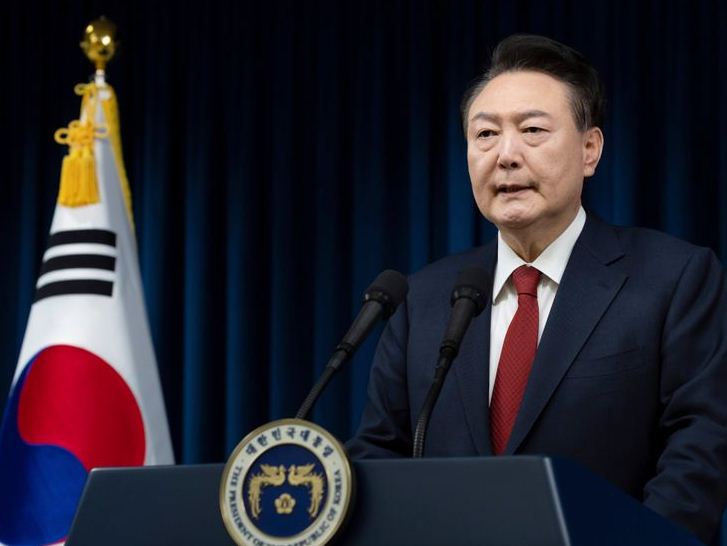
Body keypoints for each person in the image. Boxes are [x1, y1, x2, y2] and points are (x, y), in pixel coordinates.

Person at [347, 34, 727, 544]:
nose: (506, 155)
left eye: (532, 130)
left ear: (590, 150)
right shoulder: (423, 300)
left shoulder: (674, 278)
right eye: (485, 134)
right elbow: (378, 458)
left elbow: (699, 449)